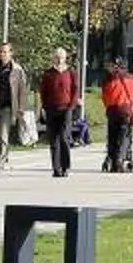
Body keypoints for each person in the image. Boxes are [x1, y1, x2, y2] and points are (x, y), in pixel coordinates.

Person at [0, 41, 29, 175]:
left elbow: (22, 91)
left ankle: (0, 163)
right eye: (1, 52)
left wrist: (21, 108)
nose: (3, 54)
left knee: (3, 134)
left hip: (8, 107)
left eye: (5, 51)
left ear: (11, 53)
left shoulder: (17, 70)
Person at [36, 44, 81, 177]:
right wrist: (45, 107)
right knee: (53, 140)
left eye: (61, 57)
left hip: (66, 108)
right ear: (53, 58)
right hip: (51, 109)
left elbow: (75, 90)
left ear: (65, 58)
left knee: (64, 137)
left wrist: (71, 106)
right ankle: (56, 168)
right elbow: (43, 91)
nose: (59, 60)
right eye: (57, 57)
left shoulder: (71, 73)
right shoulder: (48, 74)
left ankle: (65, 166)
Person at [100, 57, 133, 172]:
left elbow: (104, 96)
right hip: (126, 110)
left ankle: (113, 159)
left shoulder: (108, 80)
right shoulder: (132, 78)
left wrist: (108, 106)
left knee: (112, 135)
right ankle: (121, 157)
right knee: (124, 135)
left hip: (112, 110)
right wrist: (132, 105)